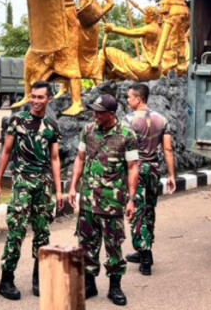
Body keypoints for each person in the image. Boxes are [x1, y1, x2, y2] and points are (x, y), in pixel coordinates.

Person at [0, 81, 64, 300]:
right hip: (22, 183)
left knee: (42, 232)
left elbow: (54, 158)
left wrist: (59, 191)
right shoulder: (18, 121)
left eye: (40, 97)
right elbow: (6, 152)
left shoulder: (52, 125)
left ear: (48, 99)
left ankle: (38, 277)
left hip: (43, 185)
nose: (35, 101)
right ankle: (6, 280)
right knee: (17, 231)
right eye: (33, 96)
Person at [67, 94, 139, 306]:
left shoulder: (127, 135)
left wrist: (131, 199)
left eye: (99, 112)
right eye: (94, 111)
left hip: (112, 201)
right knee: (86, 243)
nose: (95, 115)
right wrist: (72, 187)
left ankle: (114, 287)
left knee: (113, 245)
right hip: (88, 200)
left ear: (111, 114)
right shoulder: (88, 130)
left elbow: (133, 167)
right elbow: (80, 159)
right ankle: (89, 283)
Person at [122, 83, 176, 275]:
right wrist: (171, 175)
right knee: (149, 210)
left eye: (129, 97)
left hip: (136, 170)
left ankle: (145, 255)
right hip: (154, 169)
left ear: (138, 99)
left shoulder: (127, 121)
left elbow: (124, 149)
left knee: (137, 212)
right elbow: (168, 149)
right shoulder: (161, 119)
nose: (127, 100)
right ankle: (144, 248)